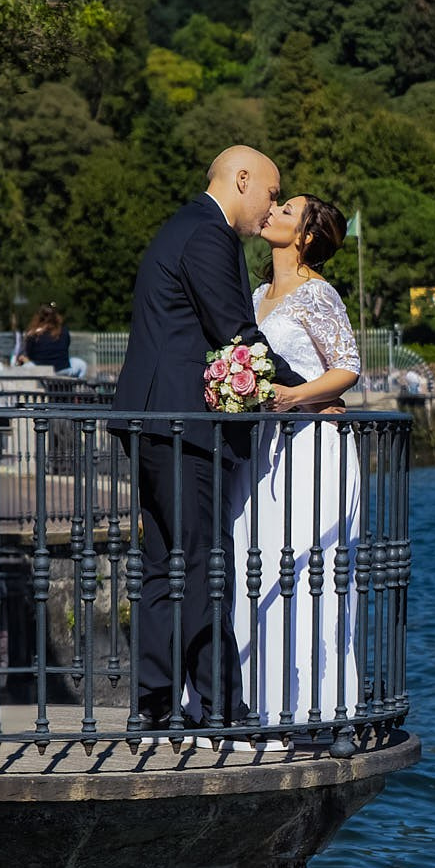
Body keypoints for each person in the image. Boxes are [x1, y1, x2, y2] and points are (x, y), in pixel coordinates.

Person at [111, 146, 304, 732]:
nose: (270, 204)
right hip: (184, 427)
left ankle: (155, 703)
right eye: (270, 192)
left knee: (163, 562)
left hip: (151, 419)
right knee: (202, 564)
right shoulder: (209, 235)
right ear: (241, 180)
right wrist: (310, 390)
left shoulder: (182, 226)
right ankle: (223, 709)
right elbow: (236, 334)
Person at [222, 195, 361, 736]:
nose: (273, 212)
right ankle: (252, 700)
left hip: (309, 450)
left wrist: (294, 396)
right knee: (250, 565)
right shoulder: (256, 295)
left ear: (305, 237)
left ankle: (308, 708)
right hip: (262, 447)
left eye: (287, 212)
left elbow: (347, 368)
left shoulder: (318, 294)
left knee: (301, 567)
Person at [16, 304, 86, 378]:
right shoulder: (64, 330)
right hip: (62, 370)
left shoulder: (33, 334)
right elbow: (66, 346)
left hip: (41, 371)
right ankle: (75, 386)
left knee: (26, 366)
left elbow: (30, 355)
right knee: (81, 364)